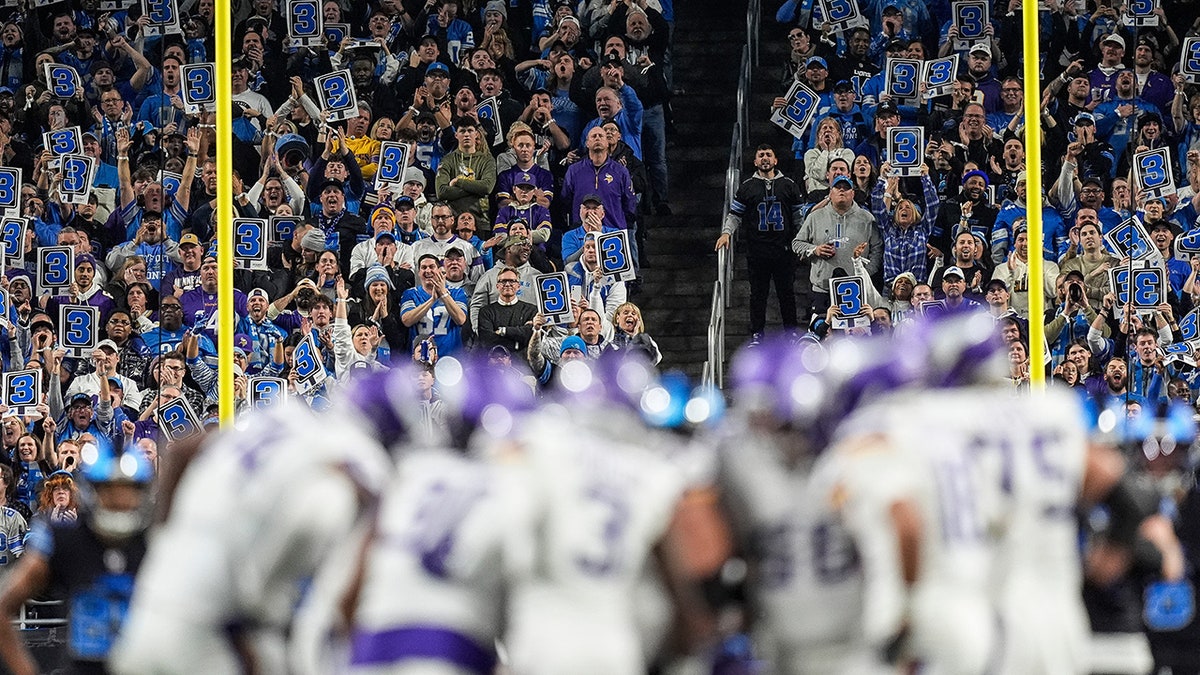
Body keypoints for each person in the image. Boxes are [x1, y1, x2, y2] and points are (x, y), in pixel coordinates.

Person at [110, 402, 392, 674]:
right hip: (209, 632)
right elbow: (314, 523)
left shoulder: (285, 414)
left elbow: (184, 449)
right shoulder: (358, 456)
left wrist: (163, 539)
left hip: (150, 608)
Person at [0, 448, 151, 675]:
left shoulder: (157, 542)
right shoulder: (64, 540)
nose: (120, 501)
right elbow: (4, 606)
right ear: (92, 492)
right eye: (109, 491)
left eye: (128, 491)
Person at [716, 143, 805, 342]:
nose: (765, 158)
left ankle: (791, 332)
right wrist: (726, 233)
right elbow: (735, 214)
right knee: (757, 295)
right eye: (761, 155)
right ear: (755, 161)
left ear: (775, 160)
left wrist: (801, 243)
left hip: (783, 250)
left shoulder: (789, 185)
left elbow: (799, 218)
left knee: (787, 293)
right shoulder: (747, 187)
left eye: (768, 154)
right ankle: (757, 334)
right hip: (757, 251)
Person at [791, 174, 882, 319]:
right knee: (822, 333)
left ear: (852, 193)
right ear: (830, 193)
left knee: (854, 335)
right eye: (837, 187)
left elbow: (877, 248)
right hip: (822, 288)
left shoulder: (867, 218)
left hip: (855, 288)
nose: (842, 191)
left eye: (846, 188)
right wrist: (815, 250)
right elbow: (796, 244)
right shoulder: (815, 216)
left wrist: (866, 273)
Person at [401, 254, 470, 357]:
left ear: (439, 270)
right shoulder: (410, 294)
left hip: (450, 358)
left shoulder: (457, 292)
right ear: (419, 272)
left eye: (432, 267)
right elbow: (407, 320)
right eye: (424, 267)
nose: (428, 271)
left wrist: (443, 294)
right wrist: (432, 300)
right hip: (420, 359)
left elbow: (461, 319)